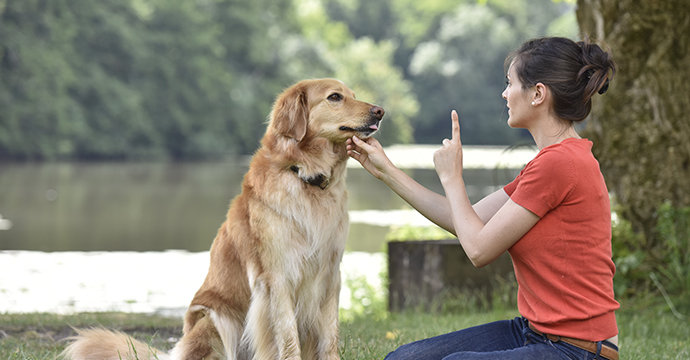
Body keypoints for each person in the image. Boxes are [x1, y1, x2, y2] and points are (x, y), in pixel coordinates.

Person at [346, 36, 619, 360]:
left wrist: (452, 178)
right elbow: (467, 220)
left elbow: (477, 249)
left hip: (578, 349)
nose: (504, 94)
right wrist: (386, 170)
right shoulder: (551, 162)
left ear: (538, 94)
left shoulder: (561, 164)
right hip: (534, 332)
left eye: (510, 84)